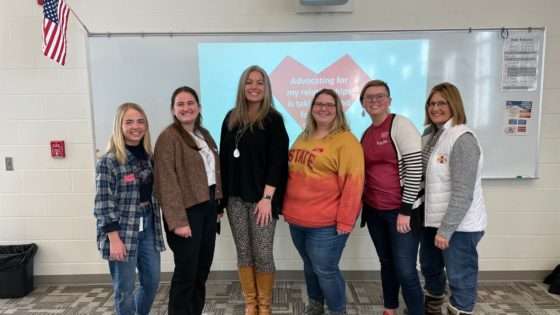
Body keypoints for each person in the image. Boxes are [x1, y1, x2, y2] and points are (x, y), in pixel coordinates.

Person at [283, 89, 365, 315]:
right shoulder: (304, 136)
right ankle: (316, 305)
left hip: (327, 223)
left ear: (338, 110)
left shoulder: (346, 141)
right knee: (310, 266)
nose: (324, 108)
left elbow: (354, 184)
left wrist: (346, 221)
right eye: (319, 104)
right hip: (297, 219)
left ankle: (338, 311)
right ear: (311, 108)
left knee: (325, 270)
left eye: (330, 105)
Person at [219, 65, 289, 315]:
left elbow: (277, 161)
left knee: (262, 252)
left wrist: (268, 198)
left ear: (266, 88)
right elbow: (223, 162)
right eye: (249, 81)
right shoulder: (230, 118)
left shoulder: (273, 119)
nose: (254, 87)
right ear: (242, 86)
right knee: (244, 252)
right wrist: (221, 200)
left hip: (263, 200)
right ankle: (251, 304)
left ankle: (265, 306)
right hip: (235, 199)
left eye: (260, 82)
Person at [154, 86, 222, 315]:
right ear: (173, 110)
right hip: (185, 214)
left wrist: (218, 204)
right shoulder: (168, 138)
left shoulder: (204, 134)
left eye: (190, 103)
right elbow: (166, 182)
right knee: (186, 272)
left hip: (208, 209)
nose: (186, 108)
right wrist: (178, 221)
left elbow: (214, 172)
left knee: (202, 270)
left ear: (199, 107)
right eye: (180, 104)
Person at [420, 82, 487, 315]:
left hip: (459, 226)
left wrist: (446, 229)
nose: (435, 108)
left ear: (454, 105)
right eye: (431, 103)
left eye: (441, 103)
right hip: (432, 220)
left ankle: (460, 310)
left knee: (460, 275)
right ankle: (433, 307)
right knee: (430, 268)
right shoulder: (432, 134)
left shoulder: (462, 138)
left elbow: (463, 191)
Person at [358, 80, 424, 315]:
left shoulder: (400, 125)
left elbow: (416, 168)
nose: (374, 101)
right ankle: (390, 308)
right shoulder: (366, 134)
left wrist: (406, 210)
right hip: (375, 211)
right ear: (362, 104)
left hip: (401, 212)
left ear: (389, 100)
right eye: (369, 97)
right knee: (387, 263)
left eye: (380, 96)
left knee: (405, 269)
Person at [94, 102, 165, 315]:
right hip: (121, 230)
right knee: (124, 289)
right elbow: (103, 203)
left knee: (151, 282)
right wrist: (114, 240)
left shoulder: (149, 157)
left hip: (148, 225)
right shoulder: (109, 161)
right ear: (120, 126)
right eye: (129, 122)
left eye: (141, 121)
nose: (136, 126)